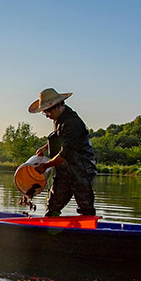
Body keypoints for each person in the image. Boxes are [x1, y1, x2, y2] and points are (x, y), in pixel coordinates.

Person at [28, 88, 98, 217]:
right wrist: (45, 148)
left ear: (58, 106)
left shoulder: (73, 123)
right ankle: (48, 234)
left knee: (85, 207)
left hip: (81, 170)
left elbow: (67, 152)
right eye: (44, 112)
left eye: (48, 111)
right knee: (53, 206)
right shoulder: (59, 120)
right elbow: (61, 138)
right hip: (64, 171)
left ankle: (89, 234)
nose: (47, 115)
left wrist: (46, 165)